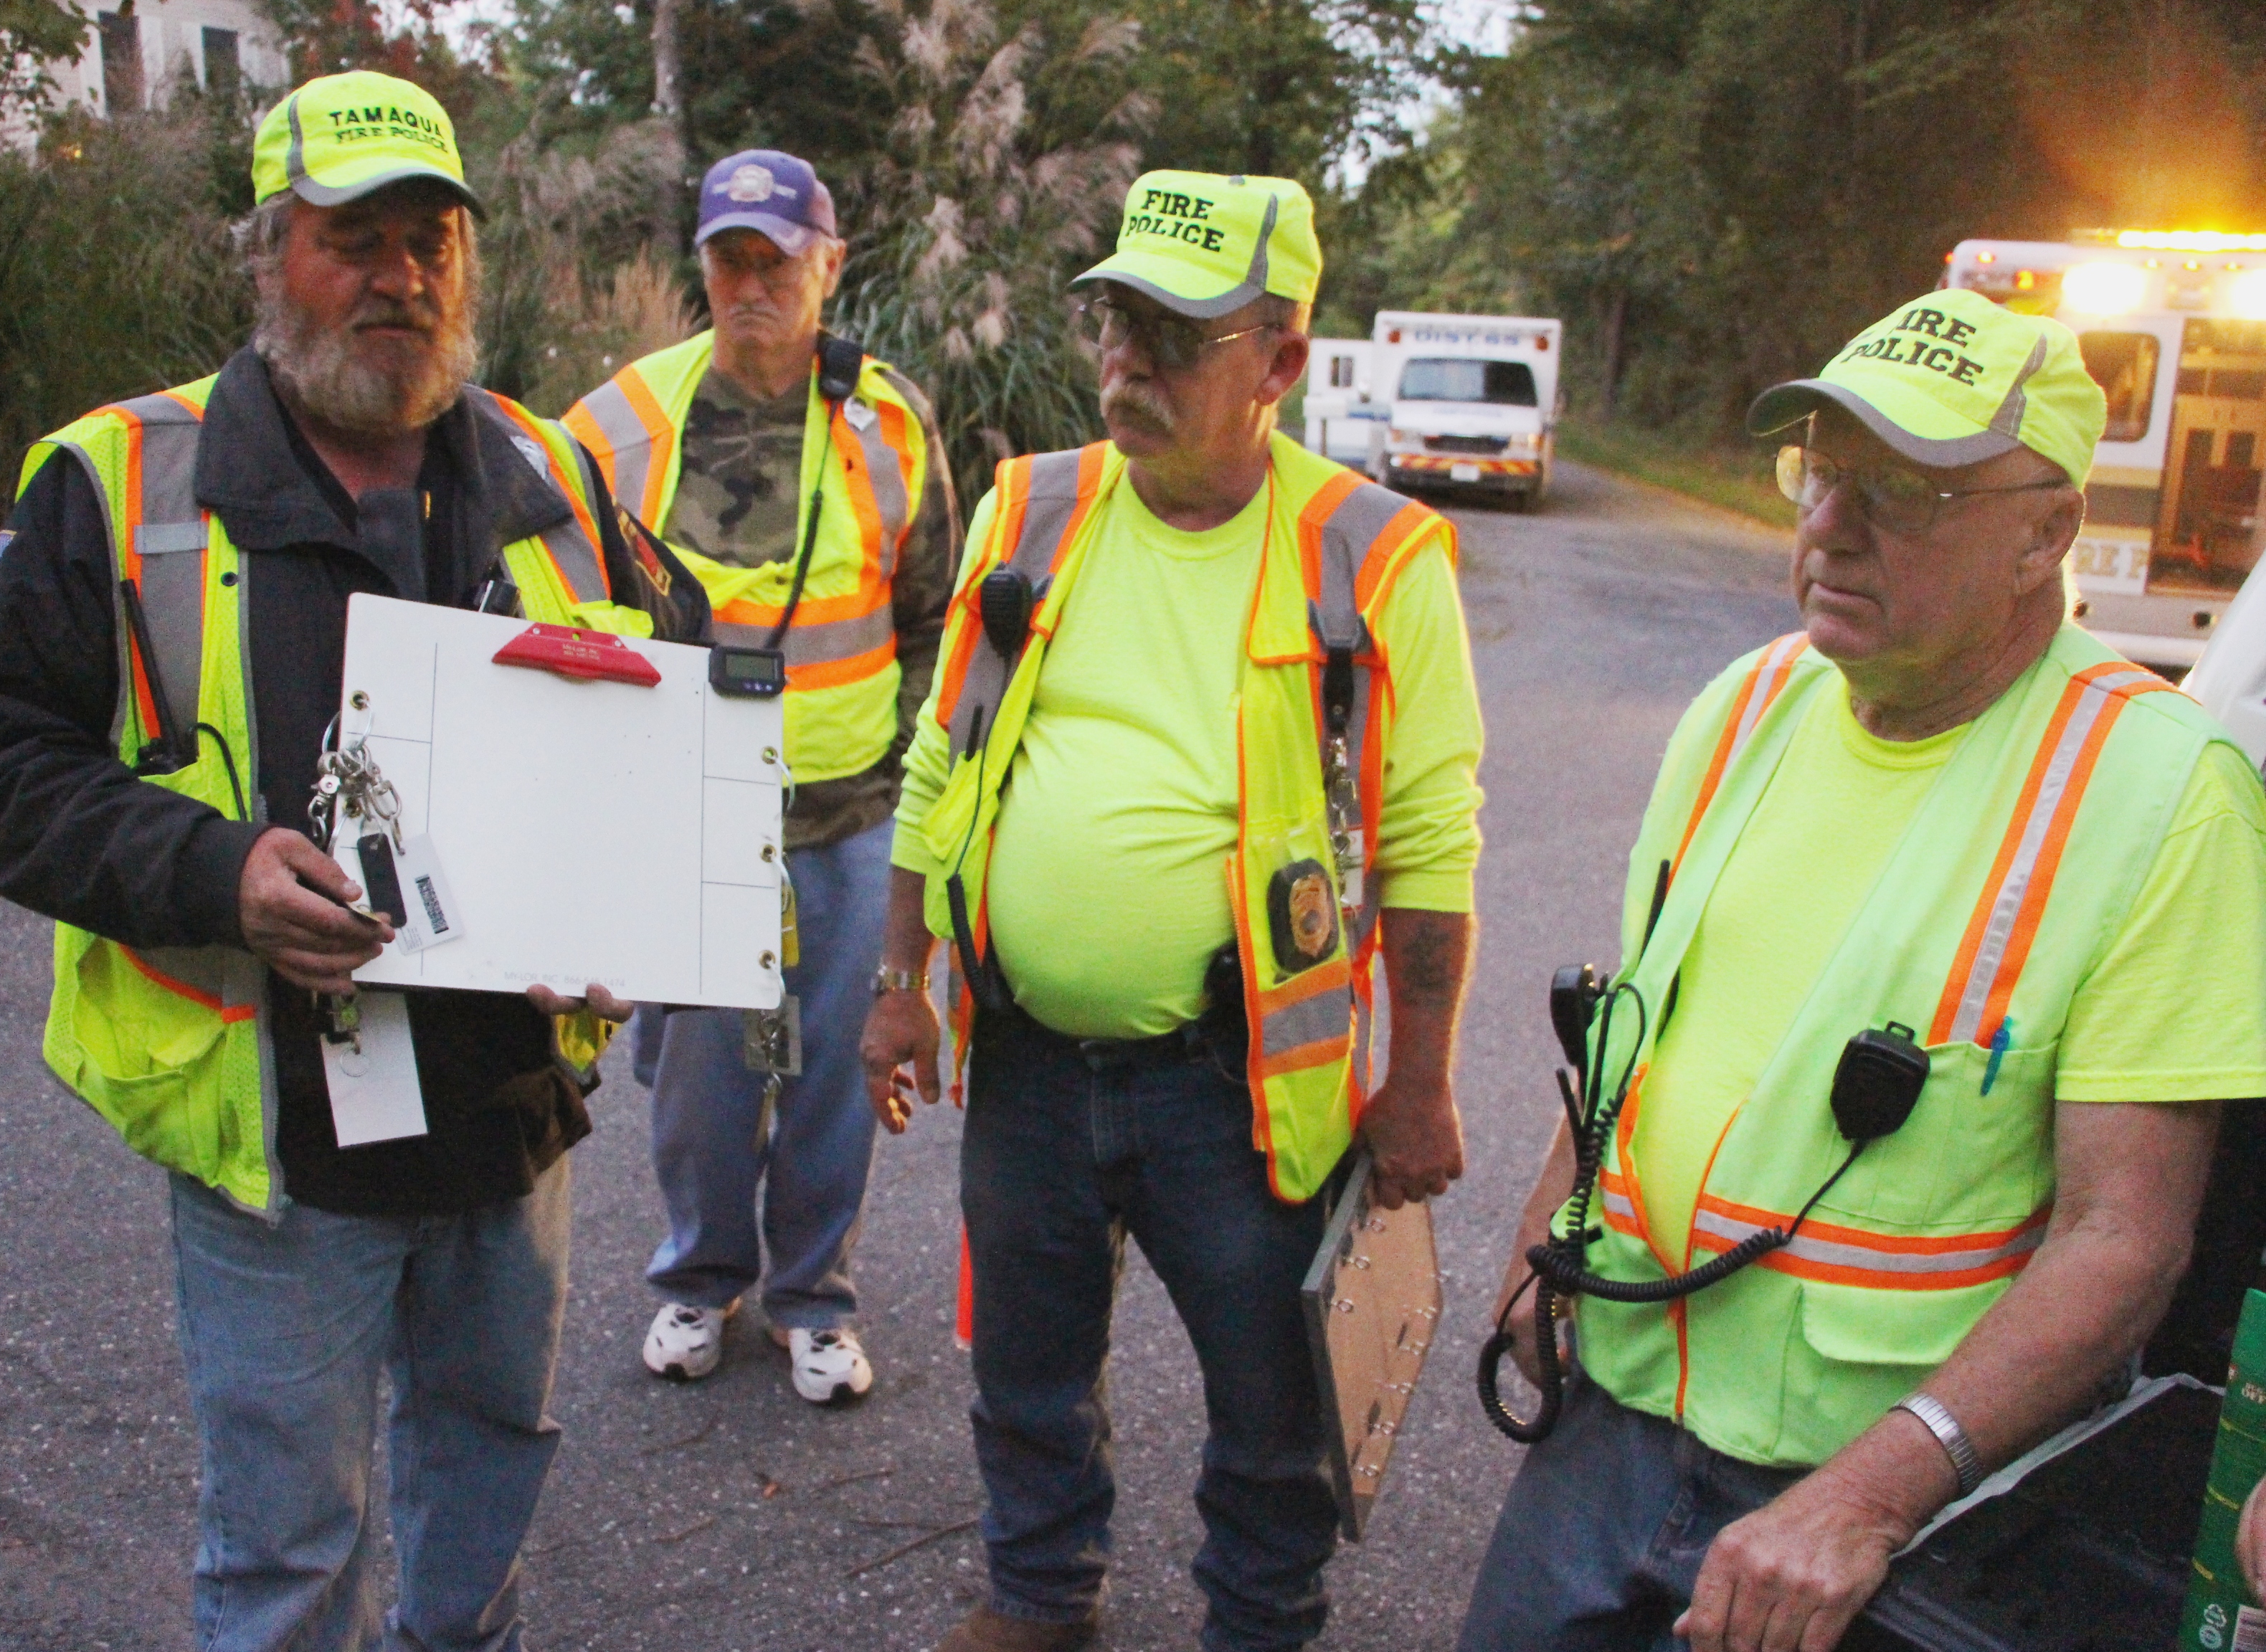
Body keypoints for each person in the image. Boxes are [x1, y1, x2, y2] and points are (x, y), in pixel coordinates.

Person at [0, 71, 706, 1652]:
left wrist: (633, 899)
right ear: (268, 254)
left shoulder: (550, 473)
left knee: (488, 1482)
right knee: (285, 1555)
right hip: (282, 1134)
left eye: (431, 242)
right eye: (355, 240)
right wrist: (213, 872)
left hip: (504, 1114)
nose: (400, 277)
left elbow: (672, 696)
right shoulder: (120, 482)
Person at [1459, 288, 2266, 1652]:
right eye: (1821, 473)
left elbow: (2125, 1238)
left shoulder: (2164, 791)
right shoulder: (1749, 702)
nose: (1831, 525)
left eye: (1902, 493)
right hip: (1614, 1411)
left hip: (1868, 1497)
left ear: (2046, 534)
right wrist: (1551, 1241)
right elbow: (1634, 1035)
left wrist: (1868, 1499)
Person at [861, 171, 1486, 1652]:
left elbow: (1427, 839)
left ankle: (1259, 1626)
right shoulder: (1033, 506)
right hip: (1025, 1057)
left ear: (1282, 361)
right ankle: (1041, 1597)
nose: (1128, 362)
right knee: (1024, 1371)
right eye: (1116, 324)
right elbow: (943, 756)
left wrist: (1424, 1080)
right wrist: (899, 980)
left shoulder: (1373, 552)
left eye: (1175, 335)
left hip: (1238, 1080)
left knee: (1274, 1406)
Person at [566, 148, 958, 1405]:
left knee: (836, 1075)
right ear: (703, 268)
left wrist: (919, 791)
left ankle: (813, 1299)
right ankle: (699, 1278)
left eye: (777, 262)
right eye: (729, 261)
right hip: (692, 818)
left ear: (828, 267)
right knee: (701, 1086)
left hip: (851, 817)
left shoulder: (889, 421)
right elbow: (557, 608)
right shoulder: (623, 421)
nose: (751, 285)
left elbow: (933, 619)